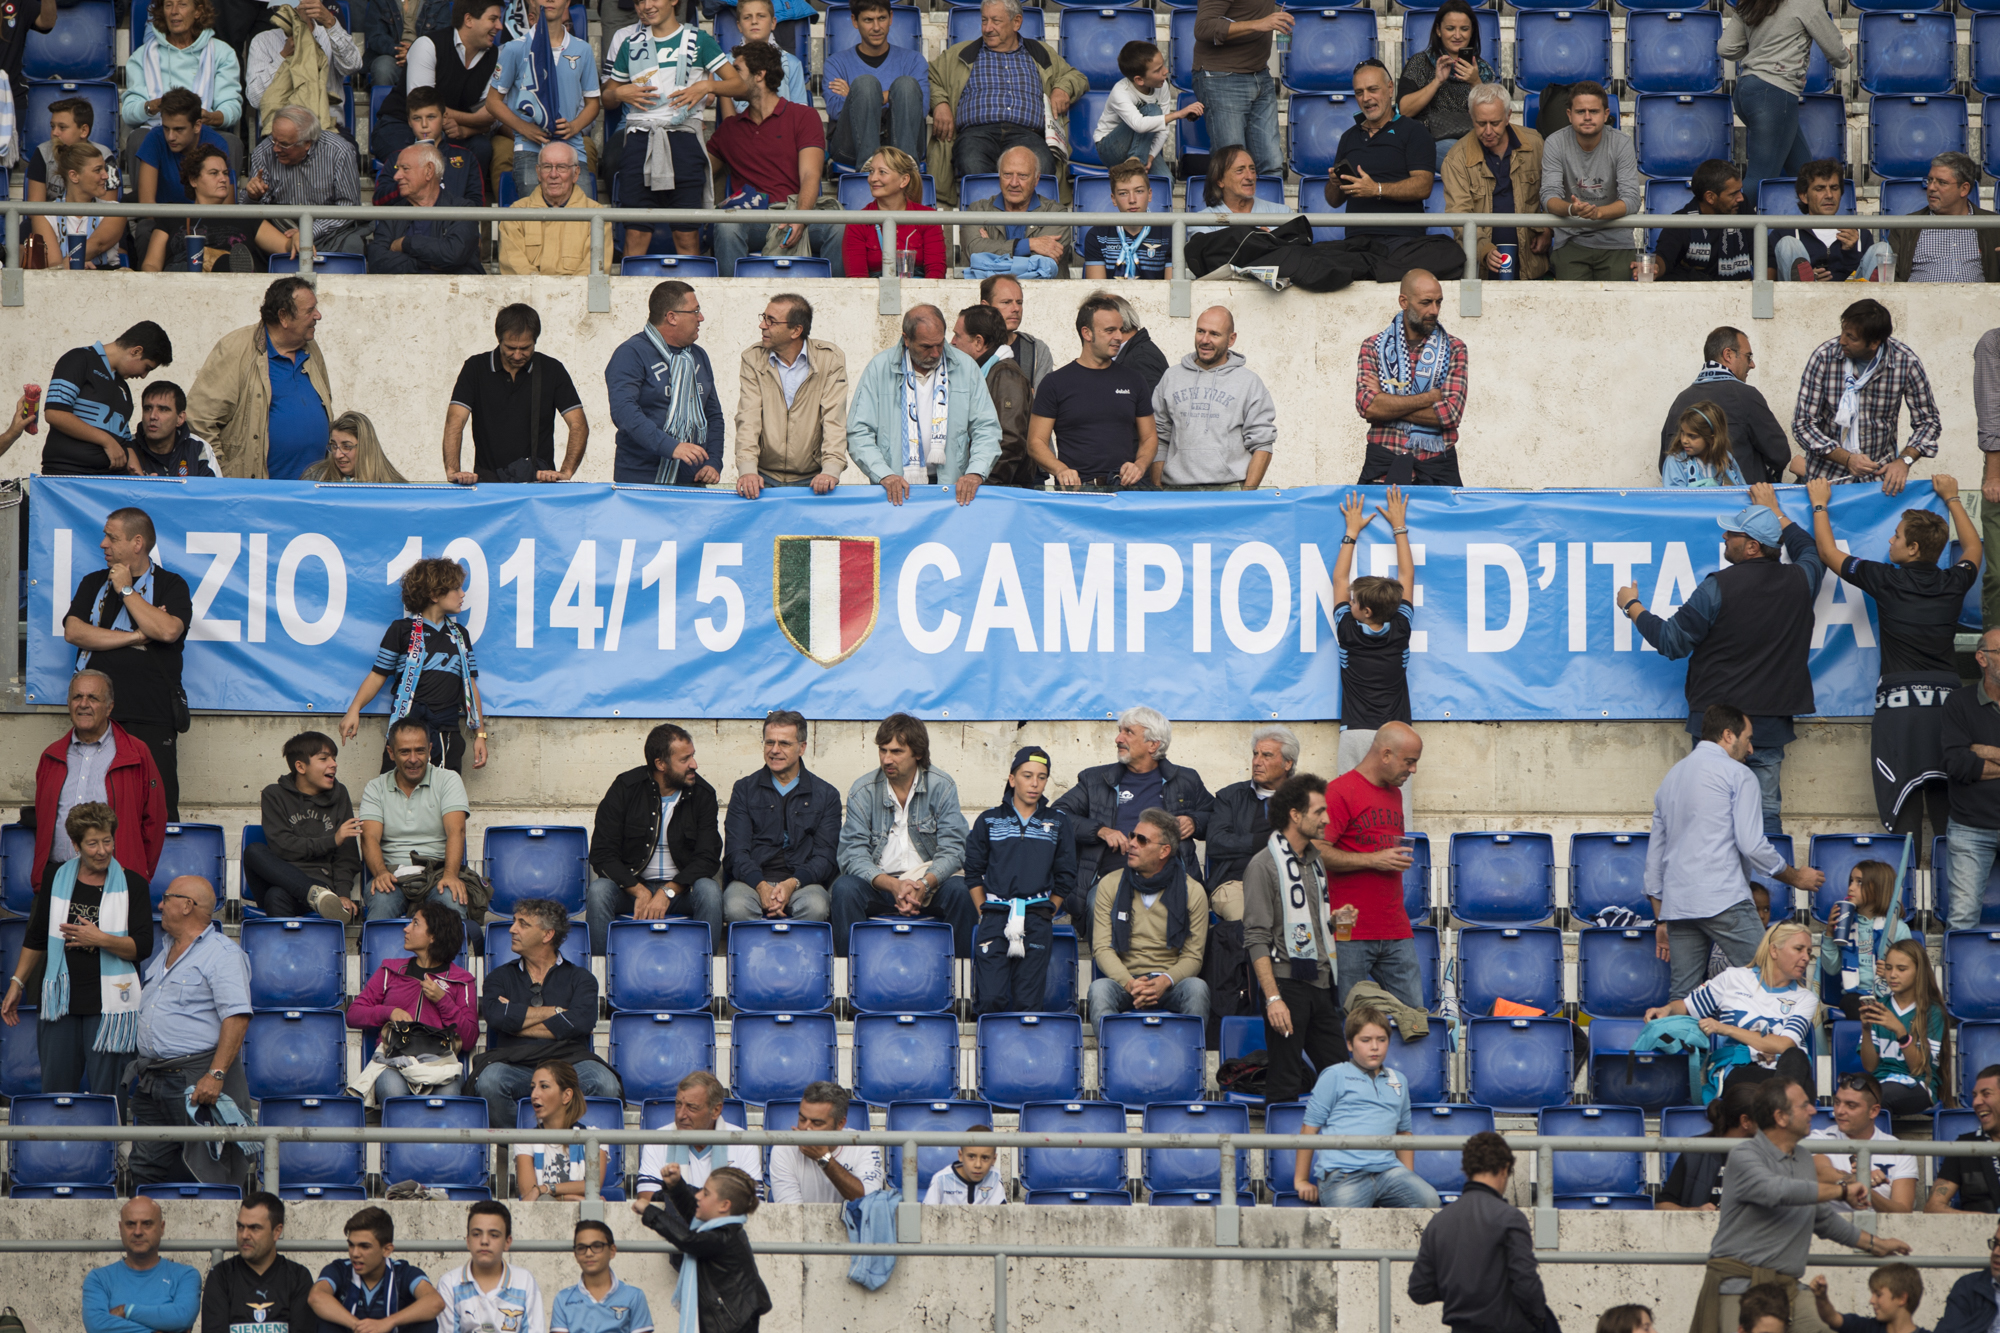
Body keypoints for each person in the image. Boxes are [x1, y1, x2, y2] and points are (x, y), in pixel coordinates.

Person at [1623, 487, 1828, 836]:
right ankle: (1762, 892)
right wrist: (1776, 512)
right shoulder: (1802, 579)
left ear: (1751, 547)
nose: (1725, 536)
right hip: (1769, 727)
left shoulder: (1718, 586)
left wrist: (1632, 607)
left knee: (1710, 819)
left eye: (1733, 533)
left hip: (1718, 729)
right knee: (1764, 822)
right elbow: (1810, 550)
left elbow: (1671, 642)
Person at [1692, 1076, 1908, 1333]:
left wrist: (1877, 1245)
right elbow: (1776, 1191)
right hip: (1740, 1284)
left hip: (1787, 1288)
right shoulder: (1744, 1155)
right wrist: (1840, 1191)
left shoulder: (1804, 1158)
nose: (1814, 1111)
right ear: (1781, 1117)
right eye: (1804, 1105)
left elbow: (1822, 1219)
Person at [1645, 705, 1823, 1001]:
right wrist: (1796, 878)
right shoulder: (1738, 774)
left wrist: (1661, 919)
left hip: (1678, 905)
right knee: (1774, 978)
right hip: (1723, 897)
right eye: (1748, 738)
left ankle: (1682, 1047)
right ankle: (1781, 1048)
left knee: (1682, 998)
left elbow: (1654, 864)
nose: (1751, 748)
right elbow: (1752, 845)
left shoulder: (1671, 779)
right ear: (1728, 735)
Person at [1, 802, 148, 1096]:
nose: (102, 850)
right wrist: (17, 983)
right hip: (59, 1004)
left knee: (107, 1094)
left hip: (107, 1007)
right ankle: (58, 1143)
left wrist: (99, 939)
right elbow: (38, 937)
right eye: (92, 843)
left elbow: (142, 947)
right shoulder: (56, 878)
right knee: (56, 1091)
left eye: (107, 841)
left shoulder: (133, 883)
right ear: (75, 844)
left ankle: (110, 1143)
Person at [127, 875, 255, 1192]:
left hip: (195, 1079)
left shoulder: (222, 954)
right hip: (155, 1078)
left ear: (186, 906)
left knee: (207, 1172)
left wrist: (216, 1073)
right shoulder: (164, 952)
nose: (160, 905)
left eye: (166, 898)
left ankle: (213, 1241)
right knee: (146, 1167)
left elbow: (237, 1017)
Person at [62, 506, 191, 818]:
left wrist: (126, 589)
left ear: (137, 543)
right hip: (96, 716)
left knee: (155, 811)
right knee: (92, 812)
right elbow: (74, 631)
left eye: (111, 537)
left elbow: (167, 630)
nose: (103, 544)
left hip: (151, 716)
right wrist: (134, 637)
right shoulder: (93, 581)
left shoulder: (172, 584)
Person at [600, 0, 746, 260]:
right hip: (639, 140)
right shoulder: (631, 43)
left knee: (687, 235)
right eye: (639, 1)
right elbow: (607, 98)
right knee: (635, 234)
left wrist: (706, 87)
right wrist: (618, 93)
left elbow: (739, 86)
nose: (646, 6)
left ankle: (687, 298)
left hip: (684, 141)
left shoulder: (699, 40)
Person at [1052, 706, 1211, 937]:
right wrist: (1100, 830)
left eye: (1128, 732)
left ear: (1153, 744)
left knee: (1190, 907)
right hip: (1111, 880)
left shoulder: (1185, 780)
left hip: (1170, 878)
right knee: (1099, 903)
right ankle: (1109, 973)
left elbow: (1215, 815)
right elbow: (1057, 815)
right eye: (1119, 731)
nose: (1118, 738)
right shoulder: (1095, 780)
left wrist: (1195, 821)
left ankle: (1172, 974)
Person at [831, 713, 977, 960]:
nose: (887, 759)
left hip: (930, 885)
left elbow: (954, 849)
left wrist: (925, 884)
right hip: (880, 886)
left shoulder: (942, 786)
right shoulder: (863, 790)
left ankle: (961, 983)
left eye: (896, 752)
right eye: (883, 750)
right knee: (844, 889)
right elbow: (851, 855)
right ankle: (851, 981)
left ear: (918, 753)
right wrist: (894, 885)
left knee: (962, 890)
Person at [1243, 773, 1345, 1104]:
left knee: (1343, 1076)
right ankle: (1282, 1156)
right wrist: (1273, 999)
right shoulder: (1263, 865)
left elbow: (1310, 928)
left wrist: (1335, 923)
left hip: (1321, 984)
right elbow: (1256, 937)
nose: (1327, 819)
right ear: (1295, 815)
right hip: (1286, 986)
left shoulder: (1315, 864)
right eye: (1319, 812)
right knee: (1285, 1081)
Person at [476, 899, 621, 1127]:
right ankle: (528, 1142)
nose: (512, 929)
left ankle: (572, 1140)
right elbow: (495, 1016)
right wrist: (554, 1012)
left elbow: (580, 1022)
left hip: (570, 1062)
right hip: (513, 1062)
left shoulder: (582, 978)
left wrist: (515, 1020)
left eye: (522, 924)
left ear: (547, 935)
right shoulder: (499, 977)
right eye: (514, 922)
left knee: (606, 1083)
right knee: (489, 1082)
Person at [586, 722, 726, 955]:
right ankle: (602, 976)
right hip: (631, 890)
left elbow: (708, 857)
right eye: (684, 759)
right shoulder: (626, 788)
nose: (694, 765)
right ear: (661, 764)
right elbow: (602, 853)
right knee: (599, 891)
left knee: (710, 891)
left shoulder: (703, 793)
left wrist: (668, 891)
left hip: (680, 892)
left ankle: (704, 975)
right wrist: (638, 890)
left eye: (692, 755)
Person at [342, 556, 487, 773]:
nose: (463, 594)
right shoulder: (401, 630)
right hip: (407, 730)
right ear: (435, 594)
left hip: (447, 731)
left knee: (444, 800)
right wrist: (354, 709)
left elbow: (470, 686)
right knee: (397, 797)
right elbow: (377, 675)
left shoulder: (459, 635)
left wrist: (480, 735)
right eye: (456, 588)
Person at [847, 304, 1002, 506]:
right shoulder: (879, 368)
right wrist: (883, 475)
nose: (937, 353)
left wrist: (975, 473)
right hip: (895, 489)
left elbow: (986, 428)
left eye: (940, 344)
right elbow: (859, 432)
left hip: (952, 489)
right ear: (906, 339)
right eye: (926, 347)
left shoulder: (966, 367)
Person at [926, 0, 1087, 194]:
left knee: (1042, 166)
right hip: (977, 133)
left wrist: (1062, 88)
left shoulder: (1040, 53)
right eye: (984, 20)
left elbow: (1077, 77)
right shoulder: (960, 53)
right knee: (971, 162)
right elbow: (928, 78)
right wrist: (940, 103)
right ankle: (987, 223)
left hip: (1027, 134)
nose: (987, 28)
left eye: (995, 21)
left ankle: (1028, 224)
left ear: (1016, 22)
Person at [28, 670, 167, 892]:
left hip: (115, 882)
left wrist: (136, 874)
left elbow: (155, 820)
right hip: (57, 880)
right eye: (77, 697)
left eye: (93, 698)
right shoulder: (50, 756)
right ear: (68, 703)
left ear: (109, 707)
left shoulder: (136, 753)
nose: (83, 704)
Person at [705, 42, 835, 278]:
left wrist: (800, 219)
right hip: (753, 218)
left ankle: (835, 304)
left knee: (838, 227)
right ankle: (730, 301)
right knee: (725, 225)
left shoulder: (803, 116)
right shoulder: (730, 129)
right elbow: (699, 173)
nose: (729, 77)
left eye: (736, 70)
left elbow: (810, 175)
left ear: (760, 75)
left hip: (797, 210)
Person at [1646, 921, 1820, 1096]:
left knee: (1796, 1057)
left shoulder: (1806, 998)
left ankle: (1778, 1104)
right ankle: (1783, 1105)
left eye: (1809, 952)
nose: (1806, 957)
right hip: (1738, 1068)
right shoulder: (1733, 979)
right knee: (1792, 1089)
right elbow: (1687, 1007)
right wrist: (1667, 1010)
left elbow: (1785, 1045)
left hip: (1786, 1069)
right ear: (1774, 950)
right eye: (1799, 949)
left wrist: (1725, 1029)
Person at [965, 746, 1077, 1016]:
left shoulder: (1058, 821)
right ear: (1012, 779)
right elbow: (972, 872)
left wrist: (1049, 909)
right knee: (990, 999)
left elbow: (1067, 873)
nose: (1035, 783)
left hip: (1037, 916)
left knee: (1028, 1002)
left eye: (1042, 776)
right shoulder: (989, 819)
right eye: (1027, 775)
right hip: (994, 916)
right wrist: (985, 912)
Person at [187, 276, 334, 480]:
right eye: (309, 310)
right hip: (257, 495)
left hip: (313, 491)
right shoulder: (236, 348)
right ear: (283, 316)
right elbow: (199, 420)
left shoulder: (312, 350)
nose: (318, 315)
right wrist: (224, 475)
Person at [1087, 808, 1211, 1048]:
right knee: (1099, 990)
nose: (1131, 843)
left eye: (1141, 840)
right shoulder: (1110, 885)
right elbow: (1102, 948)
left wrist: (1165, 981)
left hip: (1169, 982)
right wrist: (1130, 983)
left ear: (1164, 850)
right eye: (1132, 835)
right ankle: (1114, 1064)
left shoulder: (1192, 891)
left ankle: (1187, 1063)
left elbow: (1193, 957)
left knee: (1197, 989)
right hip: (1126, 982)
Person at [1294, 1007, 1439, 1208]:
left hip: (1388, 1172)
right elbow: (1309, 1129)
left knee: (1429, 1201)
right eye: (1366, 1040)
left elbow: (1404, 1133)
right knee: (1350, 1229)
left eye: (1381, 1039)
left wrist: (1407, 1176)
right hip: (1343, 1174)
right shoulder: (1333, 1075)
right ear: (1349, 1044)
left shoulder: (1400, 1080)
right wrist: (1301, 1180)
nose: (1375, 1047)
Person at [1321, 723, 1422, 1011]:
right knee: (1348, 1018)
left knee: (1414, 1019)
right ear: (1386, 754)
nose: (1413, 770)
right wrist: (1372, 860)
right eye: (1409, 761)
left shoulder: (1395, 793)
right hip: (1348, 928)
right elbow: (1315, 851)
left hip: (1395, 926)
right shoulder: (1338, 792)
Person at [1793, 299, 1941, 495]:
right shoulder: (1824, 357)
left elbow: (1928, 422)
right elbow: (1802, 424)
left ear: (1874, 343)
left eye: (1851, 337)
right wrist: (1847, 458)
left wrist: (1904, 460)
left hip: (1879, 483)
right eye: (1843, 332)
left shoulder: (1905, 362)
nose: (1842, 341)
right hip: (1826, 481)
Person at [1409, 1131, 1549, 1332]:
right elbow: (1526, 1284)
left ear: (1467, 1170)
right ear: (1504, 1169)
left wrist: (1460, 1287)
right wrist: (1540, 1319)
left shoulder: (1439, 1222)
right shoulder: (1509, 1217)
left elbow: (1419, 1290)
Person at [1026, 292, 1159, 493]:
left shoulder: (1134, 379)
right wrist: (1060, 469)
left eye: (1120, 329)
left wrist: (1139, 465)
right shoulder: (1055, 383)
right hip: (1077, 495)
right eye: (1110, 330)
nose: (1119, 337)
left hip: (1124, 492)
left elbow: (1149, 437)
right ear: (1087, 333)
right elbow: (1035, 442)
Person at [444, 303, 588, 484]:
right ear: (499, 339)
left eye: (526, 348)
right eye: (511, 348)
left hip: (537, 483)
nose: (518, 355)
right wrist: (453, 471)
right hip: (488, 482)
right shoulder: (475, 368)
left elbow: (578, 424)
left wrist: (566, 471)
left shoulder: (552, 370)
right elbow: (455, 420)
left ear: (535, 341)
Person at [348, 901, 477, 1101]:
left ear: (433, 936)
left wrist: (443, 1001)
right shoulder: (390, 970)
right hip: (394, 1060)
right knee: (392, 1089)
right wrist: (389, 1012)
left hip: (440, 1064)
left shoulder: (461, 980)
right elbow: (354, 1014)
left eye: (415, 923)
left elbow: (469, 1039)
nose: (406, 928)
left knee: (449, 1094)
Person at [1332, 488, 1416, 792]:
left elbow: (1339, 579)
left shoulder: (1347, 632)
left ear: (1365, 611)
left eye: (1353, 602)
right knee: (1396, 818)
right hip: (1397, 735)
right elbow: (1407, 575)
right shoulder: (1401, 629)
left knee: (1350, 813)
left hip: (1355, 733)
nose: (1348, 603)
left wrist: (1351, 532)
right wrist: (1399, 526)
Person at [722, 710, 839, 925]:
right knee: (736, 907)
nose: (774, 750)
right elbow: (735, 852)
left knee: (816, 906)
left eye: (784, 743)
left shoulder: (826, 794)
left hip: (803, 882)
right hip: (751, 882)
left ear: (802, 747)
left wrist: (792, 883)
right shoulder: (744, 789)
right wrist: (761, 886)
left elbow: (826, 857)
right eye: (769, 743)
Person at [1324, 59, 1441, 273]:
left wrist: (1376, 189)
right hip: (1358, 242)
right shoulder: (1348, 137)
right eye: (1359, 92)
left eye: (1372, 90)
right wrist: (1335, 184)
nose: (1366, 98)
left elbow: (1424, 186)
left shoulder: (1414, 131)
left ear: (1389, 89)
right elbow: (1333, 202)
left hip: (1402, 240)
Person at [1721, 0, 1849, 196]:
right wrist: (1847, 56)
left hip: (1746, 90)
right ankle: (1727, 227)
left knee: (1805, 174)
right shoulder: (1806, 3)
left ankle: (1815, 226)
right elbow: (1837, 55)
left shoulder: (1750, 2)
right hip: (1774, 94)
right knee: (1761, 179)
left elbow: (1726, 48)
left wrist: (1760, 51)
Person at [358, 719, 478, 923]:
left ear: (430, 749)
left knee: (452, 898)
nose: (413, 759)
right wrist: (380, 873)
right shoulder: (375, 788)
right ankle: (380, 955)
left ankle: (450, 956)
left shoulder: (448, 780)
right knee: (382, 901)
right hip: (393, 874)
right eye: (404, 752)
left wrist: (450, 874)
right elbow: (369, 838)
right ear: (391, 753)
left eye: (420, 751)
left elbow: (456, 832)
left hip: (438, 872)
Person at [607, 281, 724, 486]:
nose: (701, 318)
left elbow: (713, 415)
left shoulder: (698, 356)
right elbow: (624, 411)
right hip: (642, 479)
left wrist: (713, 462)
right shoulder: (631, 353)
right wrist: (671, 447)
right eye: (695, 311)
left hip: (692, 479)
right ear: (672, 317)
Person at [1354, 272, 1465, 485]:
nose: (1434, 310)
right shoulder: (1373, 346)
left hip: (1437, 472)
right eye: (1426, 302)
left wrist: (1387, 399)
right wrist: (1429, 397)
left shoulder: (1455, 348)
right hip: (1383, 469)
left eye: (1438, 302)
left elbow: (1450, 415)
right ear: (1404, 302)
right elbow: (1368, 408)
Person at [733, 293, 847, 499]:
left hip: (814, 480)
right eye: (763, 317)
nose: (762, 325)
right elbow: (748, 418)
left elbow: (834, 419)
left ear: (796, 330)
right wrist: (747, 470)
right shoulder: (752, 358)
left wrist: (831, 470)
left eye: (771, 321)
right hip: (761, 478)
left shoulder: (830, 359)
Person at [372, 0, 504, 175]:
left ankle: (463, 201)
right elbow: (423, 109)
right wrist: (475, 121)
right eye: (493, 19)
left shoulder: (496, 57)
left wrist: (466, 129)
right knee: (418, 159)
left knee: (481, 147)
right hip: (403, 125)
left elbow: (490, 117)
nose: (500, 26)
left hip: (453, 131)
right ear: (469, 20)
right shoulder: (428, 45)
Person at [1150, 306, 1273, 492]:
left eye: (1214, 334)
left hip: (1229, 491)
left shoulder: (1249, 382)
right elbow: (1158, 435)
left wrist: (1246, 494)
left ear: (1231, 339)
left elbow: (1262, 444)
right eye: (1200, 331)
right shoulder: (1171, 377)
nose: (1205, 340)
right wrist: (1158, 487)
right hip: (1175, 491)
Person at [637, 1164, 771, 1333]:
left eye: (705, 1193)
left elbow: (688, 1239)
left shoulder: (723, 1237)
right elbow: (695, 1216)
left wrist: (650, 1211)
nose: (698, 1195)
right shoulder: (722, 1228)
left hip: (733, 1324)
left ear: (724, 1206)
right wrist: (676, 1187)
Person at [486, 0, 600, 198]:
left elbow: (593, 103)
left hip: (572, 147)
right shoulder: (514, 49)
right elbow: (492, 101)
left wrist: (574, 126)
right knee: (535, 220)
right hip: (530, 148)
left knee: (580, 222)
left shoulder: (583, 49)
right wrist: (524, 128)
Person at [247, 730, 363, 920]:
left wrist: (342, 894)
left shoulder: (340, 794)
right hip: (281, 878)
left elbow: (347, 856)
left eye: (334, 758)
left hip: (323, 886)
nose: (333, 764)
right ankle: (312, 893)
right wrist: (332, 840)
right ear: (300, 767)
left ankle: (316, 898)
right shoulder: (274, 795)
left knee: (276, 896)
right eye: (324, 759)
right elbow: (282, 847)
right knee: (253, 851)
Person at [1658, 327, 1796, 487]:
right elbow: (1779, 455)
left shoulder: (1681, 399)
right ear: (1728, 355)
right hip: (1742, 505)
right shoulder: (1746, 396)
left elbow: (1666, 462)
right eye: (1748, 356)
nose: (1752, 364)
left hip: (1690, 508)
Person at [1443, 82, 1550, 280]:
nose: (1488, 131)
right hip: (1480, 269)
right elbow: (1459, 216)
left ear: (1509, 116)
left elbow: (1553, 194)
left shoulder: (1535, 144)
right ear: (1471, 117)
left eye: (1495, 123)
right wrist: (1483, 248)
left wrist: (1549, 231)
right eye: (1481, 123)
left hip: (1532, 262)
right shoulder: (1456, 158)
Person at [1540, 82, 1642, 281]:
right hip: (1571, 240)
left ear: (1606, 114)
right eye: (1581, 111)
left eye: (1593, 111)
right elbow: (1548, 196)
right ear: (1569, 114)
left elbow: (1632, 199)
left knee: (1615, 308)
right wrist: (1572, 210)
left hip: (1616, 241)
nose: (1587, 117)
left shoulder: (1621, 142)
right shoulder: (1555, 142)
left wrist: (1598, 213)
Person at [141, 144, 294, 274]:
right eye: (214, 173)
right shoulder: (173, 215)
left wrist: (297, 239)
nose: (223, 179)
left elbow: (285, 247)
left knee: (226, 262)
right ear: (193, 180)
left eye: (225, 173)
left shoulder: (245, 216)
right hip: (183, 282)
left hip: (231, 286)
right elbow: (151, 264)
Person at [42, 325, 172, 476]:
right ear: (136, 351)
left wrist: (141, 479)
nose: (144, 376)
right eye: (147, 368)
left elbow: (124, 441)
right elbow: (55, 413)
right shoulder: (79, 359)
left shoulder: (123, 388)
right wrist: (107, 441)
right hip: (68, 478)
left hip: (109, 483)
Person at [241, 106, 366, 258]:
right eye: (274, 139)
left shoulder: (340, 151)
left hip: (328, 229)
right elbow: (252, 213)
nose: (275, 149)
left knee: (353, 244)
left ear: (307, 143)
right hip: (280, 230)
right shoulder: (263, 152)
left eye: (284, 144)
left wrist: (309, 231)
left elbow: (349, 207)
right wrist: (253, 196)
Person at [1204, 726, 1300, 922]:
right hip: (1236, 883)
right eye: (1255, 754)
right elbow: (1215, 842)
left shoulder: (1302, 800)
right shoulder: (1230, 797)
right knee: (1248, 921)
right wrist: (1264, 841)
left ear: (1287, 763)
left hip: (1288, 883)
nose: (1257, 762)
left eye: (1266, 756)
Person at [822, 0, 928, 166]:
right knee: (865, 84)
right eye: (868, 20)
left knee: (906, 85)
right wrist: (888, 96)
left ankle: (904, 168)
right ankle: (869, 167)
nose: (877, 27)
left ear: (891, 18)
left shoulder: (913, 61)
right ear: (855, 21)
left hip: (902, 146)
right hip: (851, 149)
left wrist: (856, 96)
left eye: (882, 18)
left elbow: (921, 108)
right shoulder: (836, 63)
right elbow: (835, 110)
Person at [1942, 628, 2000, 931]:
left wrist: (1984, 751)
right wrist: (1970, 757)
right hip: (1970, 829)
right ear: (1982, 658)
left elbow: (1972, 759)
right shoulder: (1959, 703)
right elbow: (1958, 765)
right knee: (1962, 920)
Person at [1190, 0, 1287, 177]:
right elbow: (1203, 28)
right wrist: (1259, 24)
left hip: (1260, 74)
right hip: (1222, 77)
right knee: (1232, 165)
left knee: (1271, 164)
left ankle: (1268, 205)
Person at [308, 1207, 444, 1333]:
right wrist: (360, 1326)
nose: (355, 1253)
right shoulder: (340, 1269)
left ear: (387, 1250)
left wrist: (388, 1323)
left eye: (364, 1246)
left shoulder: (403, 1272)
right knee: (324, 1320)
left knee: (426, 1322)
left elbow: (435, 1302)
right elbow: (316, 1297)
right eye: (351, 1245)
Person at [1397, 0, 1497, 169]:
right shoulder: (1420, 63)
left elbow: (1494, 116)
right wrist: (1437, 81)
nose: (1457, 35)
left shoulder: (1481, 69)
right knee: (1464, 156)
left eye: (1464, 29)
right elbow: (1405, 110)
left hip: (1475, 138)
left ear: (1472, 31)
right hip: (1431, 140)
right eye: (1450, 28)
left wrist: (1476, 83)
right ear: (1438, 30)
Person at [950, 302, 1040, 489]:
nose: (952, 342)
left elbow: (1008, 441)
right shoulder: (982, 372)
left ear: (979, 342)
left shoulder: (1006, 375)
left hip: (998, 491)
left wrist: (984, 485)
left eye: (958, 335)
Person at [122, 0, 244, 135]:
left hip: (202, 132)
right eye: (168, 5)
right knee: (138, 137)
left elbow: (231, 107)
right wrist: (154, 105)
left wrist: (210, 117)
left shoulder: (222, 52)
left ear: (197, 11)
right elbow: (129, 113)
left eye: (182, 4)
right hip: (158, 132)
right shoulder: (141, 56)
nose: (174, 11)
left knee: (231, 142)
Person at [201, 1194, 317, 1333]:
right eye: (240, 1226)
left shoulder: (298, 1277)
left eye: (254, 1228)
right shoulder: (221, 1276)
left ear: (277, 1231)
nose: (244, 1235)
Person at [636, 1071, 760, 1199]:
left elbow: (754, 1206)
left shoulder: (744, 1143)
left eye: (691, 1107)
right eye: (678, 1104)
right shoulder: (656, 1141)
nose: (680, 1115)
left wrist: (677, 1195)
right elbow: (647, 1202)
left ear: (716, 1110)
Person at [244, 0, 363, 134]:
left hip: (328, 128)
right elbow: (255, 99)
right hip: (279, 131)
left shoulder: (330, 35)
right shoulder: (262, 41)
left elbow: (353, 66)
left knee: (346, 149)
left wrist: (330, 22)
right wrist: (282, 57)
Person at [83, 1197, 200, 1333]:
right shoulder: (99, 1279)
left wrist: (127, 1310)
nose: (138, 1232)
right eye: (130, 1224)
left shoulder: (185, 1276)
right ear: (121, 1229)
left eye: (147, 1224)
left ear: (162, 1228)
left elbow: (182, 1317)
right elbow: (97, 1326)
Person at [1819, 860, 1916, 1021]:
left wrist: (1891, 971)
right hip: (1855, 997)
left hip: (1889, 995)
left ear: (1878, 888)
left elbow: (1911, 972)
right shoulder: (1845, 923)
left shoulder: (1898, 929)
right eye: (1851, 881)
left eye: (1859, 882)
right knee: (1852, 1002)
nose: (1851, 887)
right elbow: (1831, 969)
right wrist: (1830, 933)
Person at [1858, 939, 1946, 1118]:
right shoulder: (1879, 1006)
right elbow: (1870, 1065)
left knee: (1877, 1098)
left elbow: (1919, 1070)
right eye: (1888, 968)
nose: (1892, 975)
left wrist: (1901, 1032)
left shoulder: (1933, 1012)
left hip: (1918, 1085)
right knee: (1853, 1095)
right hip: (1880, 1083)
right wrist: (1866, 1030)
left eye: (1901, 969)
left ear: (1918, 972)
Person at [1808, 1072, 1918, 1214]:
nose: (1839, 1111)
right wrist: (1858, 1179)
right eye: (1837, 1102)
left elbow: (1902, 1212)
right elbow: (1821, 1173)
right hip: (1827, 1229)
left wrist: (1866, 1189)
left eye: (1851, 1105)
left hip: (1882, 1230)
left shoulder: (1901, 1151)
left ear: (1873, 1111)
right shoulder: (1818, 1138)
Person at [366, 143, 483, 275]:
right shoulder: (393, 213)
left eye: (405, 168)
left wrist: (406, 243)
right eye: (397, 169)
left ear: (428, 171)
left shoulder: (463, 210)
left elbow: (453, 254)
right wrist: (428, 263)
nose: (396, 176)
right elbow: (377, 262)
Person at [497, 140, 610, 275]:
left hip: (577, 294)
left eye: (561, 167)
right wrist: (542, 289)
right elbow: (512, 262)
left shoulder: (597, 216)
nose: (553, 174)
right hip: (530, 292)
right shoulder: (516, 213)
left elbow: (594, 268)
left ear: (575, 173)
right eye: (547, 167)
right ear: (538, 173)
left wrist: (565, 292)